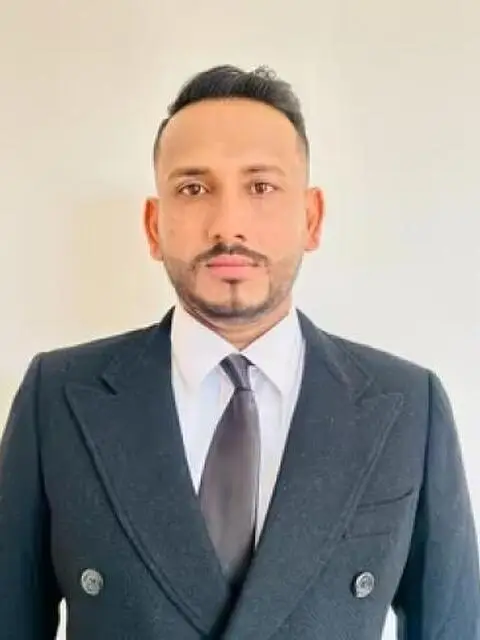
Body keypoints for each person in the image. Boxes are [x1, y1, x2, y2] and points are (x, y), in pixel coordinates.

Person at [0, 64, 478, 640]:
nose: (228, 225)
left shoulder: (407, 407)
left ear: (311, 218)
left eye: (261, 187)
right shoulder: (58, 396)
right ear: (153, 225)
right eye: (193, 188)